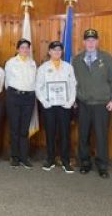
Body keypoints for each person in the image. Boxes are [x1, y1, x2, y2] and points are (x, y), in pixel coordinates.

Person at [72, 29, 112, 178]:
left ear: (97, 42)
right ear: (83, 42)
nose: (90, 43)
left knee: (101, 136)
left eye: (93, 40)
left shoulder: (107, 58)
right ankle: (85, 162)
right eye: (87, 40)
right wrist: (74, 99)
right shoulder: (77, 60)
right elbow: (73, 82)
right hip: (83, 103)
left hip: (102, 104)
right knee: (83, 135)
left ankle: (102, 165)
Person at [36, 41, 76, 173]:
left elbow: (72, 86)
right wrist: (44, 101)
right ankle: (50, 159)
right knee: (50, 133)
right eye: (54, 50)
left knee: (65, 133)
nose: (57, 52)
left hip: (64, 106)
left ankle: (65, 160)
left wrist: (70, 102)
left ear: (62, 52)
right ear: (49, 52)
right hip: (49, 106)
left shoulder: (68, 67)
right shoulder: (43, 68)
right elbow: (38, 87)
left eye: (59, 50)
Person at [5, 38, 37, 169]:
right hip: (14, 97)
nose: (25, 50)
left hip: (28, 98)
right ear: (17, 49)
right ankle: (14, 156)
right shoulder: (11, 63)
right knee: (14, 128)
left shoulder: (33, 63)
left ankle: (24, 157)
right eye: (22, 47)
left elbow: (34, 81)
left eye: (27, 47)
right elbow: (7, 82)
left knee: (24, 129)